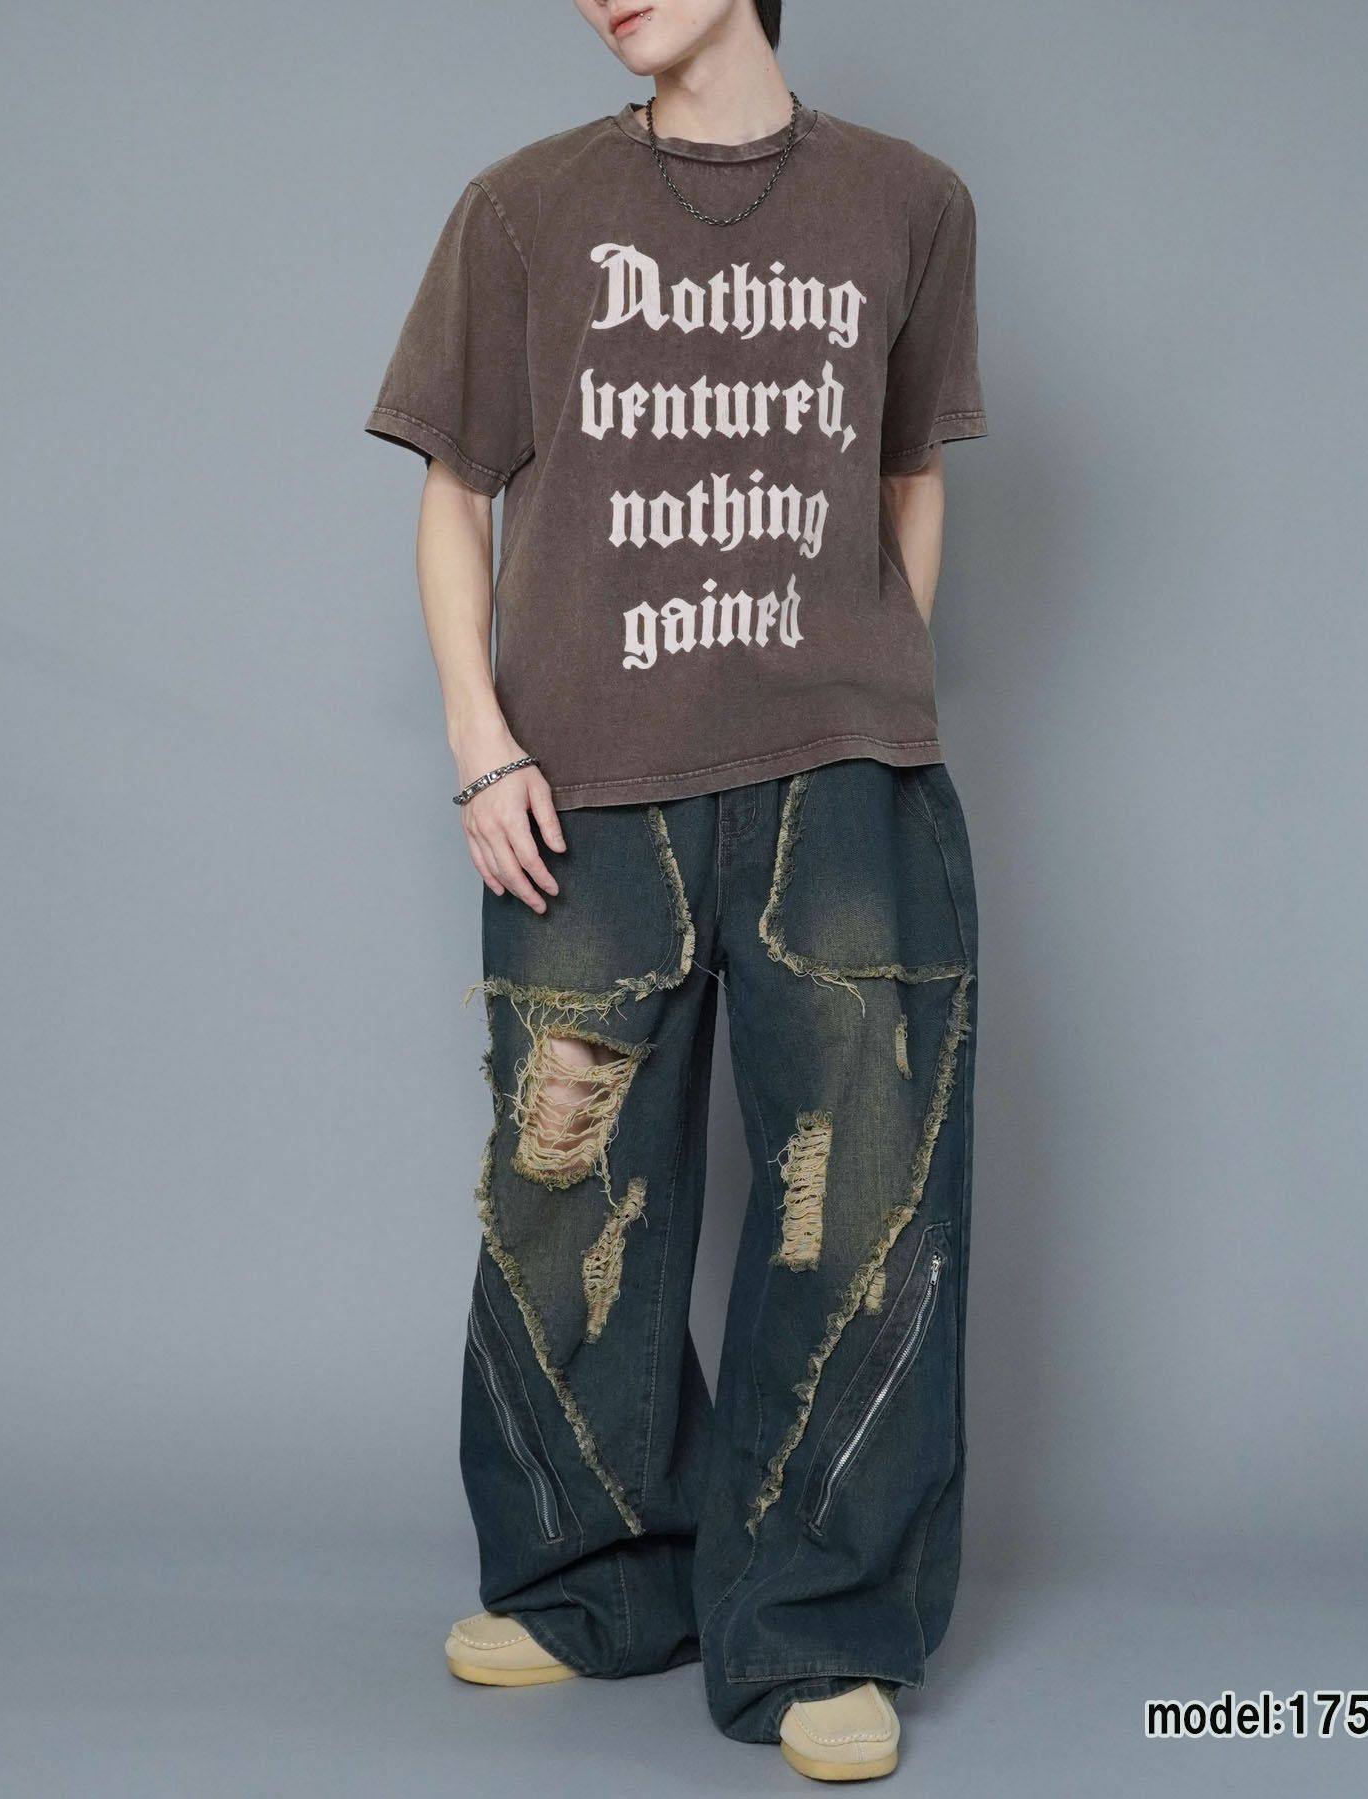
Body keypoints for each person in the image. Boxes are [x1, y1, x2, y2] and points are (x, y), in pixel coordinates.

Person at [363, 0, 987, 1779]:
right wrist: (481, 744)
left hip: (839, 791)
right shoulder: (520, 210)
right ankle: (596, 1586)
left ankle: (816, 1628)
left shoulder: (911, 203)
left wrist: (872, 692)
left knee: (857, 1207)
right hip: (585, 800)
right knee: (566, 1197)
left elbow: (908, 475)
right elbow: (454, 490)